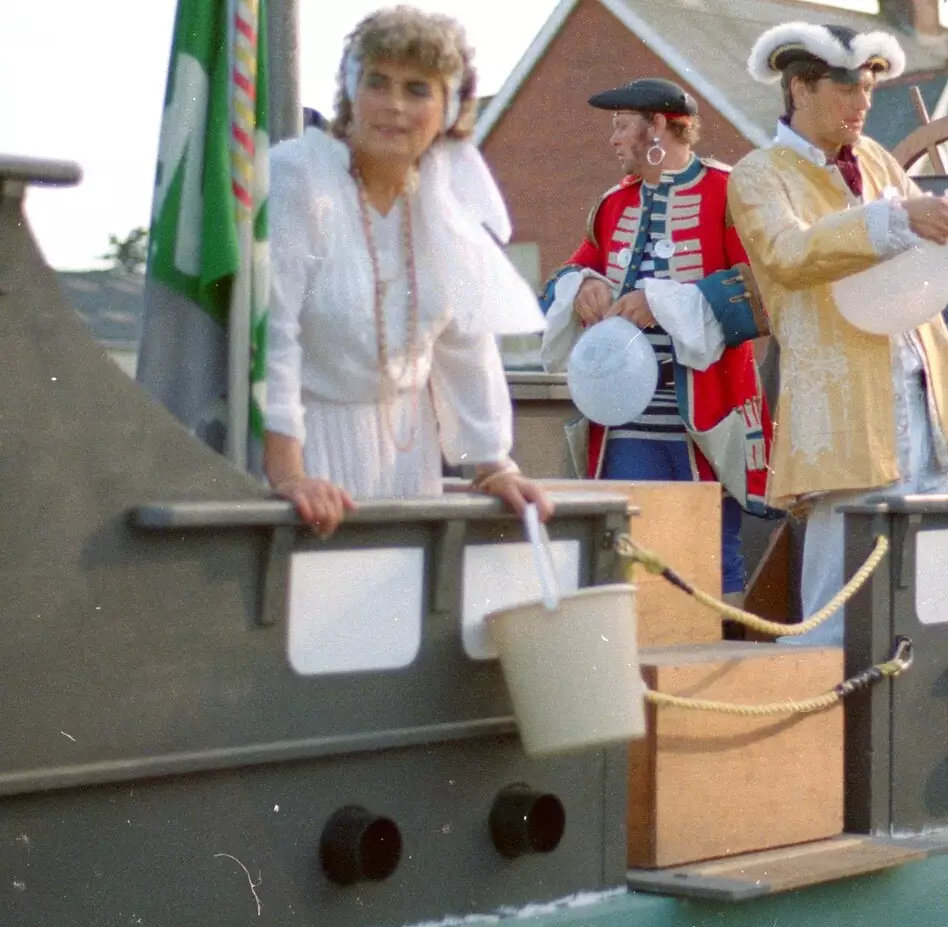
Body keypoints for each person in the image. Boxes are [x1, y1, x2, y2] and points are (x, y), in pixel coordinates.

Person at [728, 22, 948, 646]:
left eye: (870, 90)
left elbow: (917, 257)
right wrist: (897, 218)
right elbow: (789, 254)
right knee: (839, 609)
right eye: (848, 89)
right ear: (800, 87)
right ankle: (826, 734)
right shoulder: (758, 175)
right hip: (841, 414)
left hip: (924, 402)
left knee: (932, 590)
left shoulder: (875, 160)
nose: (864, 103)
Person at [264, 7, 552, 537]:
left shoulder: (447, 199)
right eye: (378, 82)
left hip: (407, 460)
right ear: (352, 91)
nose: (394, 106)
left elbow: (466, 344)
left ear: (448, 108)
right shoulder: (297, 177)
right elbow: (273, 335)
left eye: (418, 89)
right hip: (308, 463)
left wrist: (493, 464)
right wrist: (289, 475)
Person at [538, 78, 772, 597]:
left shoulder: (727, 191)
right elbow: (564, 275)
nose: (613, 139)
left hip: (705, 416)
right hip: (625, 424)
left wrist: (663, 303)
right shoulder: (611, 205)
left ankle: (718, 666)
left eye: (622, 125)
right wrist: (583, 286)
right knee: (628, 556)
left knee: (711, 556)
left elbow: (765, 291)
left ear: (660, 127)